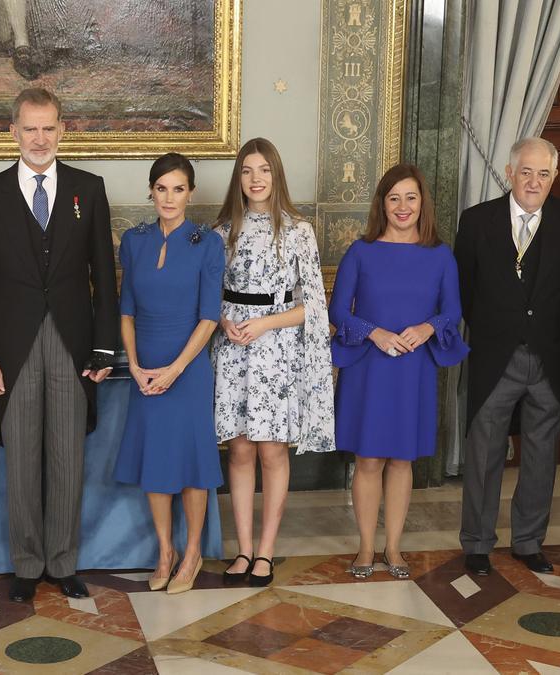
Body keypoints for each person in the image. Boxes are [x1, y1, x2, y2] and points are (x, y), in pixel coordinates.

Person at [0, 88, 118, 603]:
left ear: (62, 130)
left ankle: (64, 561)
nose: (39, 138)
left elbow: (104, 276)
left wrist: (104, 348)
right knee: (23, 459)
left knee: (68, 458)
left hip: (73, 344)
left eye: (48, 127)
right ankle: (27, 565)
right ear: (13, 132)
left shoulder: (89, 189)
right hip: (12, 349)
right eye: (30, 128)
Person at [455, 138, 560, 576]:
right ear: (509, 173)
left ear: (554, 177)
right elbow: (464, 290)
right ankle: (477, 542)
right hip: (495, 355)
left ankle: (529, 541)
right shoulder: (477, 221)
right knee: (483, 453)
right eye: (526, 172)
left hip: (549, 356)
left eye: (544, 174)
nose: (534, 181)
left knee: (541, 455)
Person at [329, 164, 468, 580]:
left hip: (414, 367)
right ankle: (366, 548)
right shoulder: (361, 251)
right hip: (371, 368)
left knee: (402, 460)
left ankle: (394, 548)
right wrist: (374, 334)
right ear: (382, 204)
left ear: (422, 202)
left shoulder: (440, 255)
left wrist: (428, 328)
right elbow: (338, 311)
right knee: (368, 458)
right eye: (394, 198)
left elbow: (453, 311)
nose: (402, 206)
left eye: (410, 197)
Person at [212, 138, 335, 587]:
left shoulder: (298, 230)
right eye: (247, 170)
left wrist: (265, 324)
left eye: (264, 169)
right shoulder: (221, 231)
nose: (256, 178)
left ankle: (266, 551)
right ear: (238, 178)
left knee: (271, 449)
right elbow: (209, 295)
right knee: (241, 448)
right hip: (233, 348)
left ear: (276, 174)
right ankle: (242, 550)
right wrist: (225, 321)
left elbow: (314, 306)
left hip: (277, 349)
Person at [113, 153, 224, 594]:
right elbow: (126, 310)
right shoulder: (134, 240)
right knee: (156, 462)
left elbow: (210, 316)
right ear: (151, 191)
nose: (169, 197)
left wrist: (176, 369)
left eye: (178, 189)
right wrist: (136, 367)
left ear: (190, 193)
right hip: (146, 370)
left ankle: (193, 552)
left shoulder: (208, 241)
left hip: (189, 369)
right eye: (162, 188)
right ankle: (165, 551)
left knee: (193, 464)